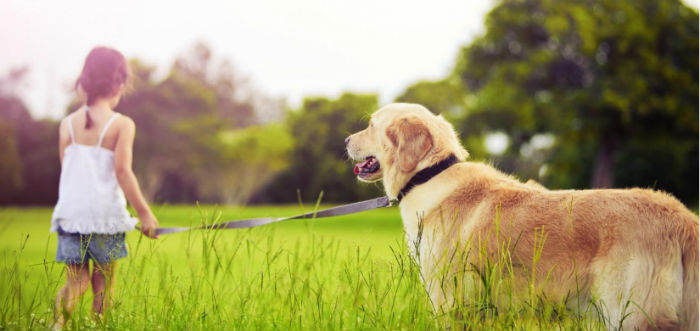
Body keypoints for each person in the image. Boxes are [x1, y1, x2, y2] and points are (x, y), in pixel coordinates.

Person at [50, 46, 159, 329]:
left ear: (84, 82)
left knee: (76, 282)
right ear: (119, 84)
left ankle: (56, 325)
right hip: (104, 218)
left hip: (71, 216)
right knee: (103, 287)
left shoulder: (66, 125)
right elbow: (123, 172)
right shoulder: (121, 124)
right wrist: (144, 213)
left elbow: (68, 172)